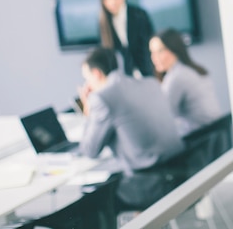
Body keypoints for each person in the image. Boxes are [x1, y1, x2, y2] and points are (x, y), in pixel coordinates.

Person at [78, 47, 185, 175]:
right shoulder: (151, 83)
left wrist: (87, 109)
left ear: (96, 73)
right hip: (180, 165)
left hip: (148, 179)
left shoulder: (102, 97)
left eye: (87, 79)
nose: (87, 85)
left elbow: (90, 150)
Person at [149, 28, 222, 137]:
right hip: (217, 132)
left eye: (160, 51)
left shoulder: (176, 77)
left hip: (201, 138)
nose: (155, 58)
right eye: (152, 52)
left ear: (174, 49)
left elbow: (164, 117)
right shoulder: (193, 70)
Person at [99, 0, 154, 77]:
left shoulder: (139, 15)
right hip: (121, 77)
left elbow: (149, 46)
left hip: (147, 73)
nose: (112, 2)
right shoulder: (103, 23)